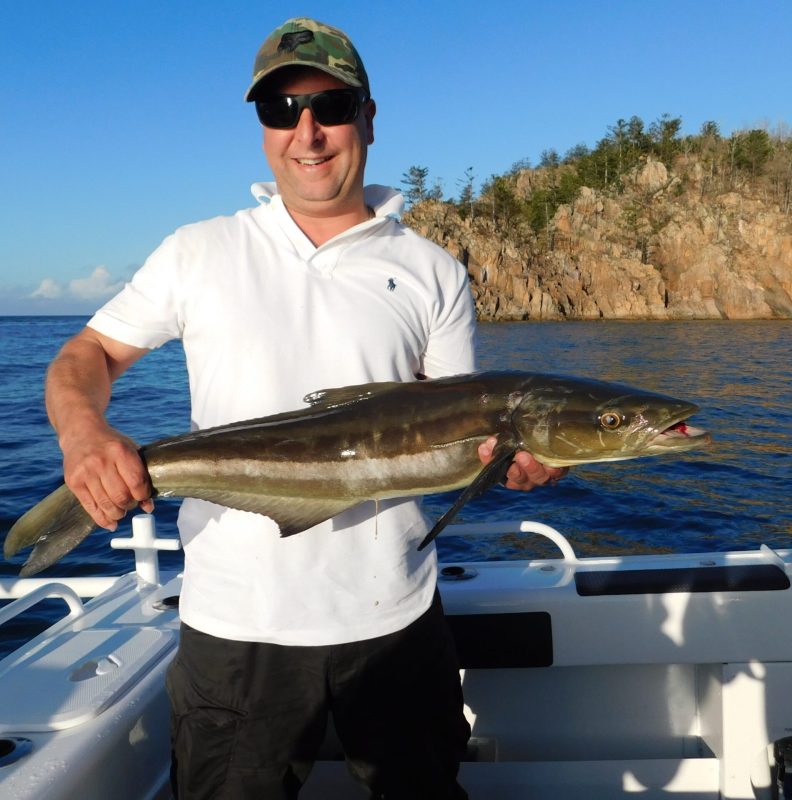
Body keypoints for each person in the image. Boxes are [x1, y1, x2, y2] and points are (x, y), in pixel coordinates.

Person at [44, 17, 565, 799]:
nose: (309, 132)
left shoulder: (432, 271)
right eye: (281, 110)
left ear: (369, 117)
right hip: (236, 626)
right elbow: (86, 356)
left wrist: (510, 469)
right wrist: (85, 435)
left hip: (396, 620)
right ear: (262, 129)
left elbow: (466, 427)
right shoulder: (200, 250)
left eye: (331, 105)